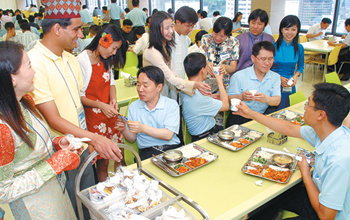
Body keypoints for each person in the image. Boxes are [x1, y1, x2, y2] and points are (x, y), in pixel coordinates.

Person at [28, 0, 122, 218]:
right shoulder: (35, 63)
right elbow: (53, 119)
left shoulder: (70, 59)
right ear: (57, 29)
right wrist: (94, 138)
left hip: (80, 143)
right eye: (77, 29)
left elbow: (78, 103)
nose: (81, 35)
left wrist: (87, 140)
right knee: (70, 207)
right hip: (57, 151)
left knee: (85, 200)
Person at [236, 83, 350, 220]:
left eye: (308, 104)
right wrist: (250, 113)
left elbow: (326, 216)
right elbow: (290, 128)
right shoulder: (328, 131)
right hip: (317, 196)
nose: (305, 108)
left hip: (324, 214)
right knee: (268, 201)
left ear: (321, 115)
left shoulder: (340, 159)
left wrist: (306, 174)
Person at [0, 41, 79, 219]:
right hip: (34, 205)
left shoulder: (25, 102)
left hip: (55, 191)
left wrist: (58, 143)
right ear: (12, 78)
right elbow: (3, 191)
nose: (34, 71)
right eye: (29, 66)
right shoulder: (3, 129)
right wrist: (53, 165)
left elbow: (33, 145)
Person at [77, 24, 127, 182]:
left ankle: (123, 184)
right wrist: (100, 105)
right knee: (103, 161)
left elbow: (111, 81)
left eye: (117, 49)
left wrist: (113, 99)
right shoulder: (82, 60)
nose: (114, 52)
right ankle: (104, 192)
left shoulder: (107, 58)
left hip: (109, 113)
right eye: (113, 48)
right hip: (94, 119)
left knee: (119, 154)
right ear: (103, 41)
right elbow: (80, 97)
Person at [116, 66, 181, 160]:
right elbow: (132, 138)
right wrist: (123, 130)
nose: (140, 89)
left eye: (145, 85)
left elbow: (168, 135)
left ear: (159, 87)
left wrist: (142, 128)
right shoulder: (133, 107)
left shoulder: (171, 105)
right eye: (138, 85)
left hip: (171, 149)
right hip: (147, 152)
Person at [143, 11, 210, 100]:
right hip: (152, 94)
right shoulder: (152, 52)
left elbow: (173, 74)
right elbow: (170, 77)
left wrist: (187, 87)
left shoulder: (165, 47)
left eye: (171, 26)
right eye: (167, 28)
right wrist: (194, 84)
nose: (171, 31)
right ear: (156, 29)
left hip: (161, 92)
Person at [226, 41, 281, 126]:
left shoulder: (275, 77)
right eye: (263, 59)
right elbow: (229, 99)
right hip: (239, 118)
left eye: (270, 59)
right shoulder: (239, 76)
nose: (267, 63)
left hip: (261, 117)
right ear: (253, 58)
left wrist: (266, 99)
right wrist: (241, 96)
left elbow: (277, 101)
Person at [182, 52, 229, 141]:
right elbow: (226, 106)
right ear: (202, 70)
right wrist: (219, 80)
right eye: (207, 65)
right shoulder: (198, 97)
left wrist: (210, 98)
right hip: (205, 137)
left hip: (203, 132)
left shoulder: (187, 86)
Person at [271, 15, 304, 109]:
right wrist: (279, 78)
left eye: (293, 29)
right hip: (274, 83)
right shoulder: (273, 47)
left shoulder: (300, 48)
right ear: (281, 30)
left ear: (297, 31)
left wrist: (295, 76)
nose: (289, 33)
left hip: (290, 84)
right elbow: (266, 68)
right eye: (286, 29)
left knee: (288, 109)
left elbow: (301, 66)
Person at [200, 16, 239, 88]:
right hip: (206, 82)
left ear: (228, 34)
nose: (217, 38)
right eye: (215, 33)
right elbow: (200, 59)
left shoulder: (233, 42)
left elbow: (233, 67)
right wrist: (206, 63)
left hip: (224, 84)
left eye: (222, 36)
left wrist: (225, 67)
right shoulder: (206, 38)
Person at [170, 6, 198, 100]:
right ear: (177, 22)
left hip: (180, 82)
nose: (190, 29)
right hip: (169, 82)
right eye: (188, 26)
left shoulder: (185, 38)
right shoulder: (168, 38)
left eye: (193, 26)